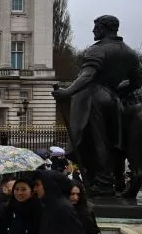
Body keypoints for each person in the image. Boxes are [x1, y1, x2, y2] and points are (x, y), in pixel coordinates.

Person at [52, 15, 142, 196]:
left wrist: (66, 92)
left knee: (97, 141)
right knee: (111, 143)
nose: (94, 30)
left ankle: (103, 183)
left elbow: (87, 76)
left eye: (96, 27)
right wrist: (117, 90)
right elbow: (136, 82)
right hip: (113, 100)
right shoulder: (130, 53)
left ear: (105, 28)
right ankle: (109, 181)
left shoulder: (97, 50)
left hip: (92, 98)